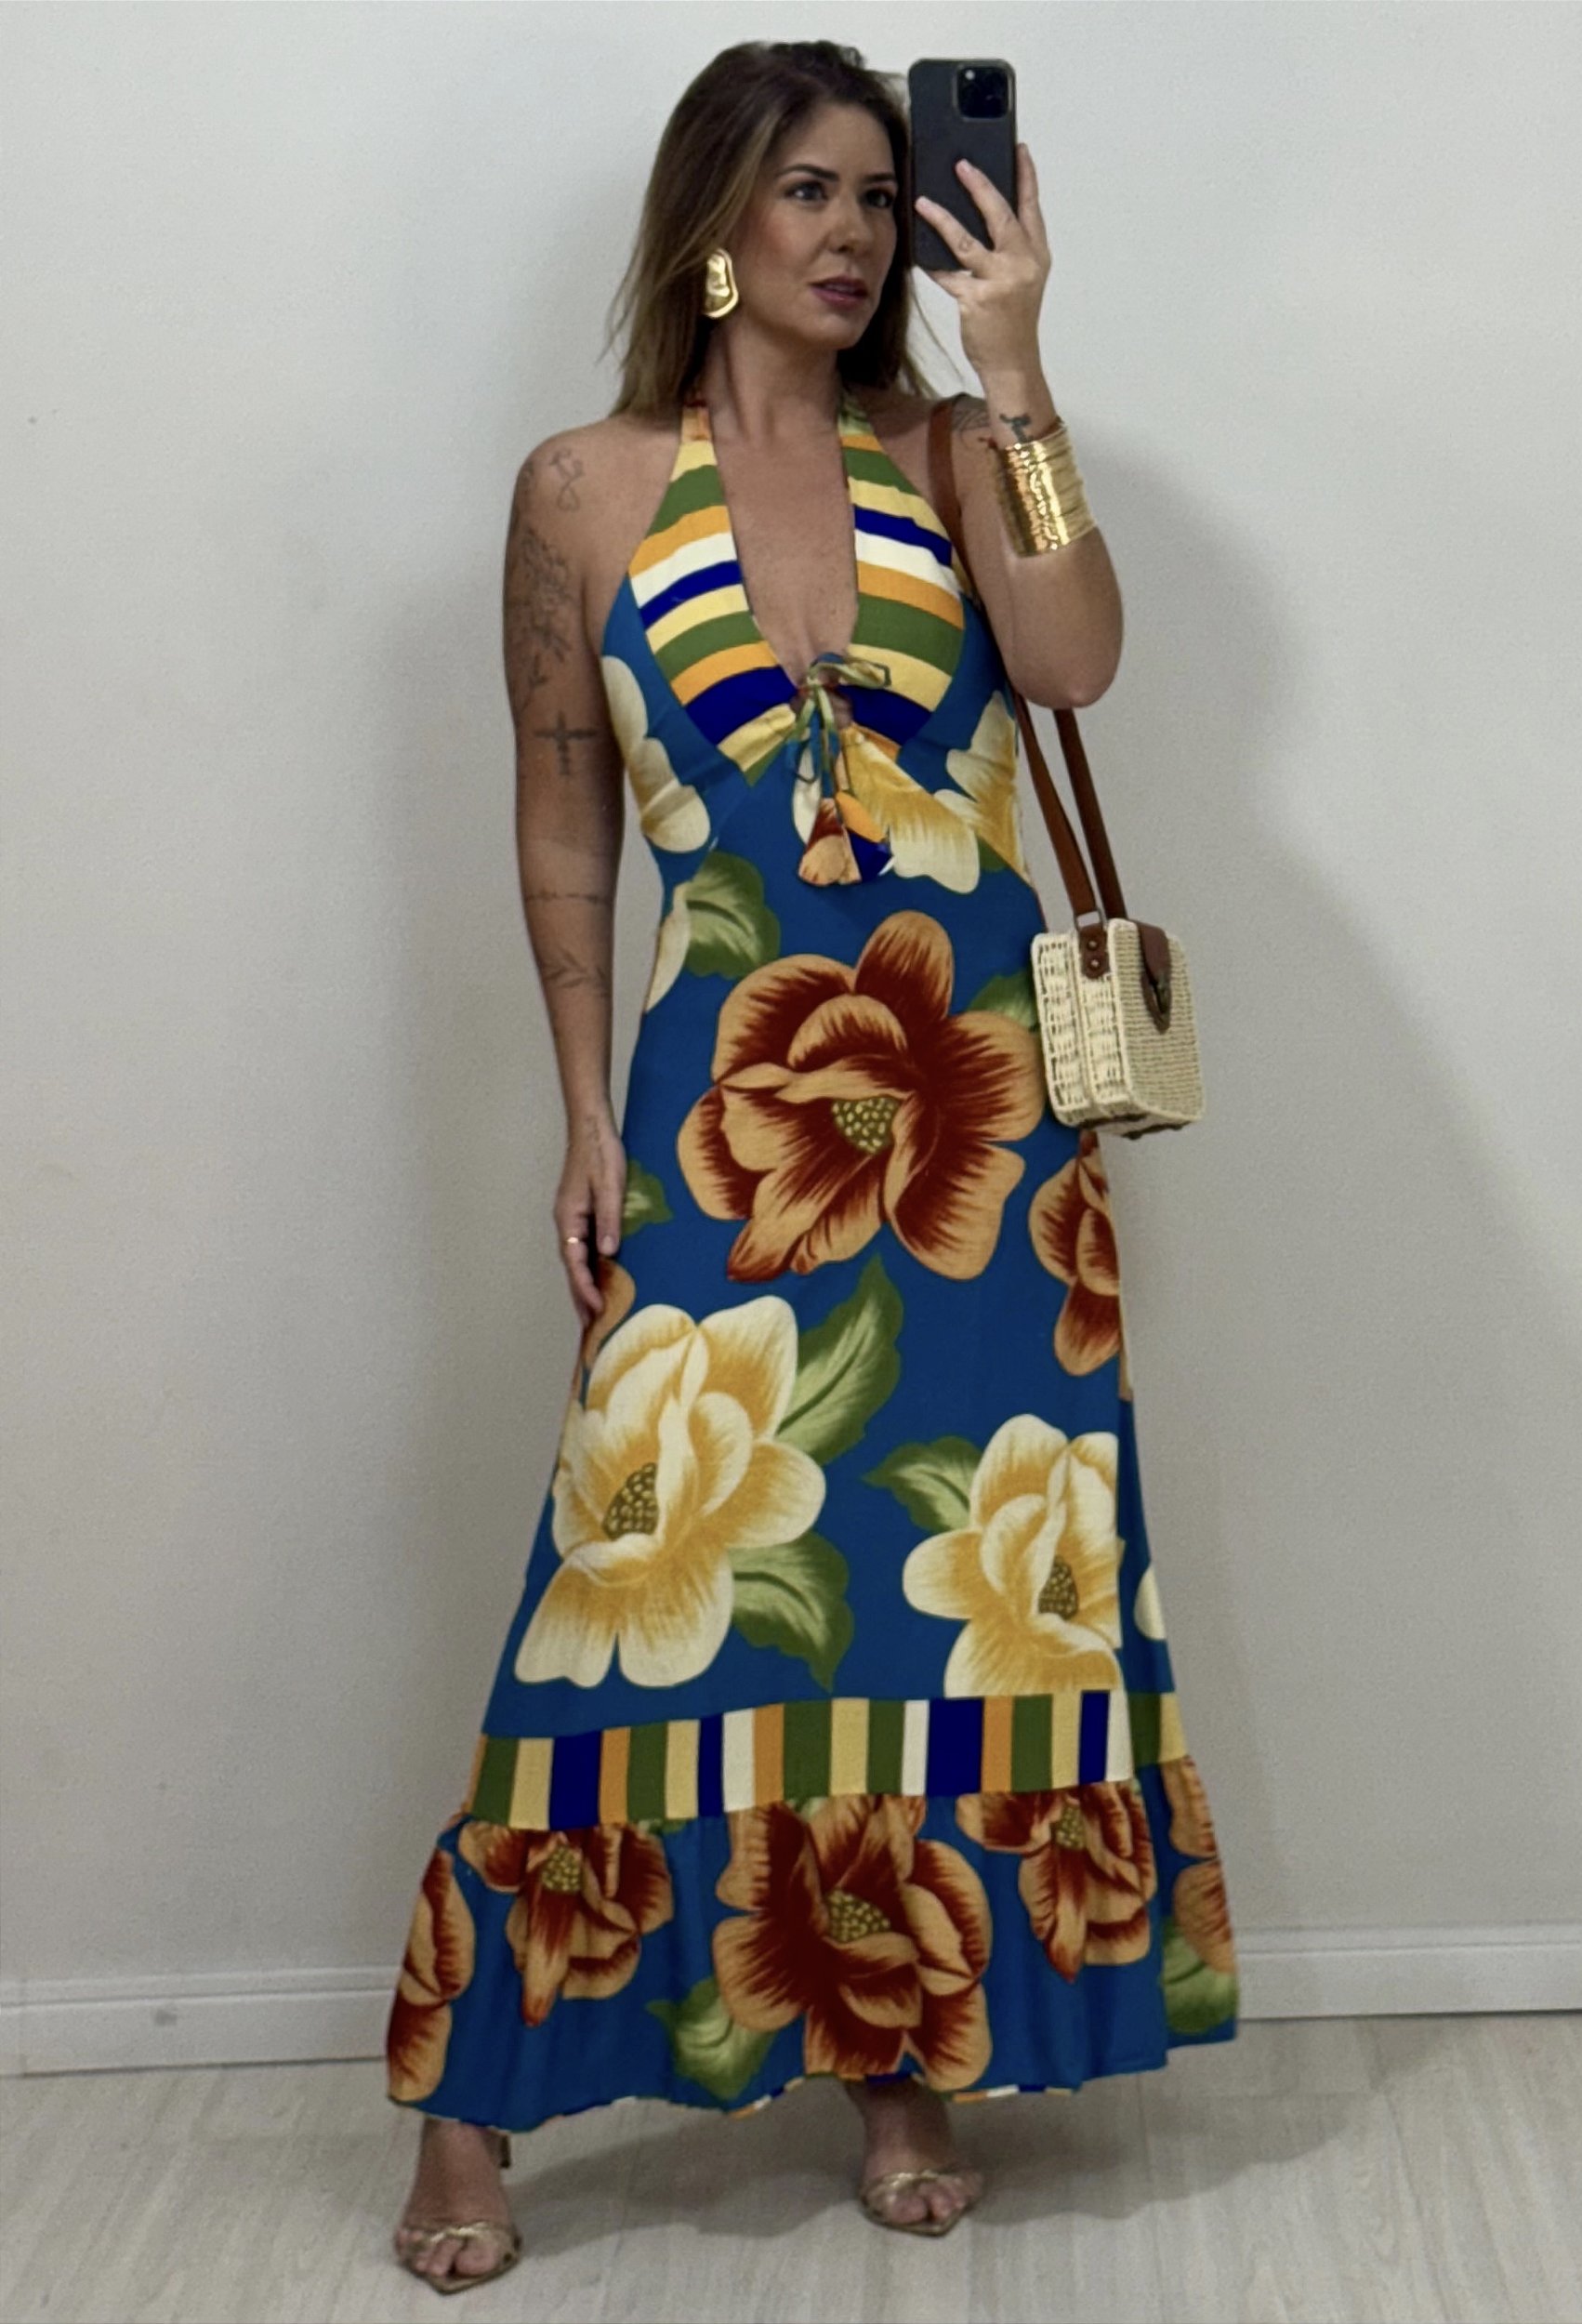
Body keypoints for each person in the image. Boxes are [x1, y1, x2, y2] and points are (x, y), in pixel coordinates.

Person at [388, 37, 1238, 2291]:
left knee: (953, 1592)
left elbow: (1073, 660)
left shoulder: (951, 451)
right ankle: (472, 2099)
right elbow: (561, 807)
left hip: (984, 1131)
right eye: (809, 195)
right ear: (711, 219)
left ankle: (897, 2051)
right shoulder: (585, 488)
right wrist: (583, 1106)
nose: (855, 233)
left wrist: (1018, 363)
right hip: (719, 1115)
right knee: (634, 1576)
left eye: (880, 194)